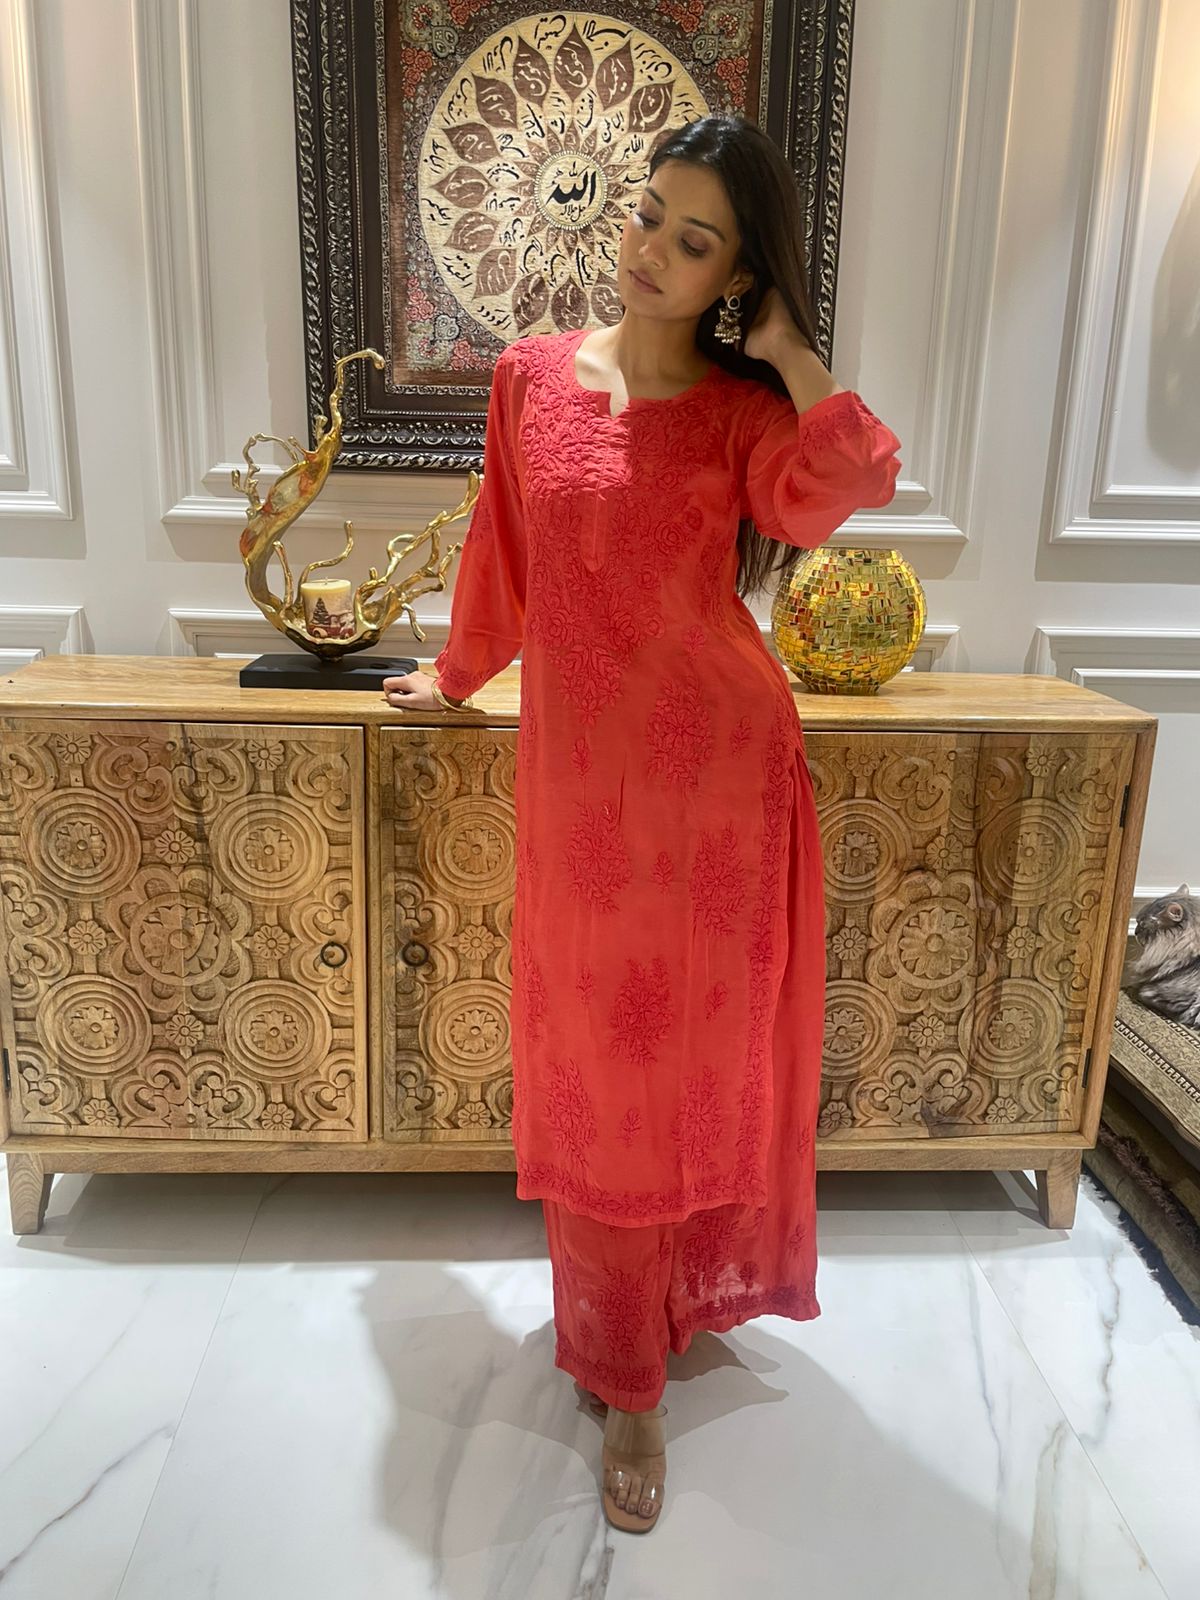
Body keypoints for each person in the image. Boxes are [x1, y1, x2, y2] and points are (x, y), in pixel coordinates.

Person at [382, 112, 902, 1533]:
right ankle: (623, 1368)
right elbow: (503, 550)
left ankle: (658, 1330)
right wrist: (455, 672)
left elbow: (852, 480)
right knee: (596, 1065)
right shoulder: (530, 376)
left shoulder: (742, 415)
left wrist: (787, 351)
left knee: (692, 1067)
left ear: (739, 273)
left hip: (719, 788)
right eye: (648, 214)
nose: (654, 250)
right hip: (583, 794)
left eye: (697, 238)